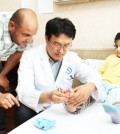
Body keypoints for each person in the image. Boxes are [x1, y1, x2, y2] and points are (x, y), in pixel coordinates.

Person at [14, 17, 101, 127]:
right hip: (35, 107)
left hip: (60, 108)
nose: (61, 51)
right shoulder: (30, 56)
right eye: (57, 44)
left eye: (66, 45)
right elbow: (24, 91)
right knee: (22, 112)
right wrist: (48, 96)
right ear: (46, 38)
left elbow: (94, 75)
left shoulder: (72, 58)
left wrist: (89, 87)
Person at [0, 8, 38, 133]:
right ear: (12, 26)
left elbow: (18, 52)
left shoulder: (27, 37)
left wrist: (2, 75)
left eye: (32, 35)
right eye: (26, 35)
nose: (29, 40)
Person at [99, 32, 120, 104]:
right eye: (116, 46)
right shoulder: (110, 58)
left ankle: (115, 107)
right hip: (103, 83)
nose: (118, 49)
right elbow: (100, 71)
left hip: (116, 86)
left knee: (116, 97)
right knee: (94, 94)